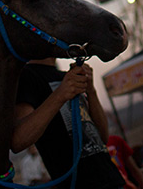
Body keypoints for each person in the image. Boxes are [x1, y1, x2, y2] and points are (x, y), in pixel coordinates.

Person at [12, 58, 126, 189]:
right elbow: (18, 140)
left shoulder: (65, 77)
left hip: (112, 179)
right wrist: (60, 94)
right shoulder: (26, 77)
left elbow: (102, 138)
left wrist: (91, 91)